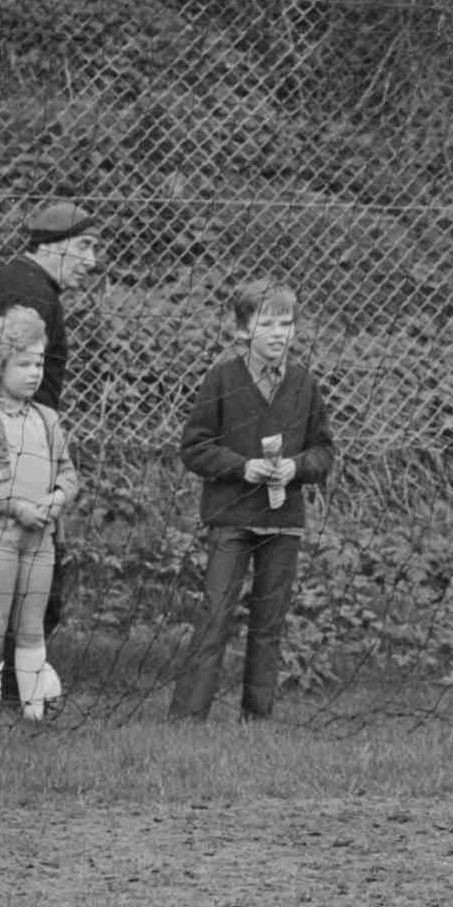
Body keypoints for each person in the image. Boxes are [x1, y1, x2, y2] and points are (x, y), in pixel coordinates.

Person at [0, 201, 101, 701]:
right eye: (84, 248)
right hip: (6, 450)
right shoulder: (30, 293)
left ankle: (14, 678)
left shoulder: (21, 282)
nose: (92, 262)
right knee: (2, 572)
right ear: (51, 247)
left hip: (17, 443)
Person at [172, 280, 335, 721]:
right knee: (215, 614)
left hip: (283, 522)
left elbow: (324, 451)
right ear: (244, 330)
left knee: (269, 622)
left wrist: (296, 467)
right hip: (231, 517)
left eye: (287, 323)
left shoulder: (304, 383)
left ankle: (257, 716)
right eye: (267, 323)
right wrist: (242, 467)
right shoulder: (221, 378)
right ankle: (187, 718)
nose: (279, 332)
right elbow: (194, 447)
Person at [0, 305, 81, 723]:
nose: (34, 372)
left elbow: (68, 473)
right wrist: (15, 506)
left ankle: (33, 711)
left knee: (32, 624)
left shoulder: (48, 420)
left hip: (40, 536)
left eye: (39, 363)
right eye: (23, 363)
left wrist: (57, 499)